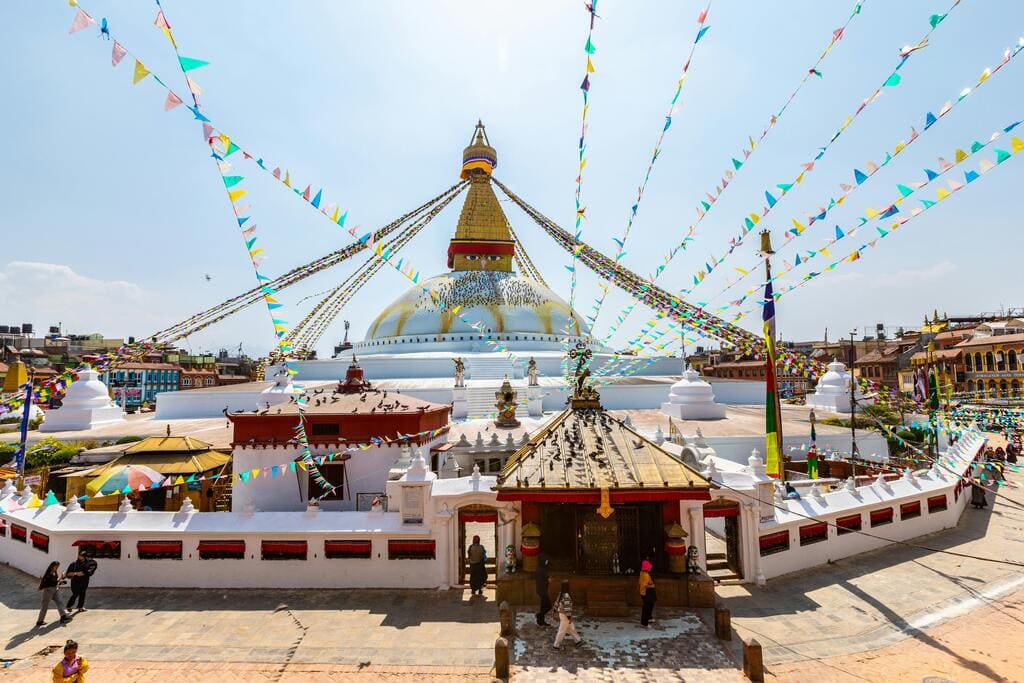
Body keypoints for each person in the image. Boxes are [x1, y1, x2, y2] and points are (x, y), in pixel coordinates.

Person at [37, 561, 71, 627]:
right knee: (45, 606)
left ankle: (63, 616)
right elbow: (48, 582)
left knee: (59, 602)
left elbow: (56, 580)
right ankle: (40, 621)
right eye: (56, 566)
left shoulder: (54, 572)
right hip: (48, 591)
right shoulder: (48, 574)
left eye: (57, 566)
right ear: (52, 566)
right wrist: (61, 578)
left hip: (55, 589)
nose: (56, 568)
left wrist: (60, 580)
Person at [552, 580, 583, 649]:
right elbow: (567, 608)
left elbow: (556, 603)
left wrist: (554, 611)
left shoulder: (561, 593)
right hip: (565, 615)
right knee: (562, 630)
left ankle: (578, 640)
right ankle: (556, 645)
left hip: (561, 614)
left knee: (571, 628)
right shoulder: (566, 596)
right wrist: (569, 617)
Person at [534, 553, 551, 626]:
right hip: (542, 590)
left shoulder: (539, 568)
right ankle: (539, 615)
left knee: (543, 606)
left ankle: (541, 621)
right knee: (548, 606)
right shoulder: (541, 570)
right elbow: (542, 580)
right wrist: (548, 580)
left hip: (541, 590)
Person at [639, 559, 657, 627]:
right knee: (647, 607)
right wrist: (651, 585)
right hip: (647, 593)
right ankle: (644, 623)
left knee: (650, 605)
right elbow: (644, 585)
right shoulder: (646, 575)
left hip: (645, 593)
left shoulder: (642, 573)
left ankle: (649, 617)